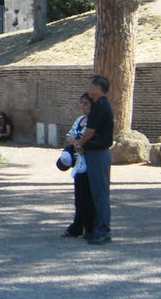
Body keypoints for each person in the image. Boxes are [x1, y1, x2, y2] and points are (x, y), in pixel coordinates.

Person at [74, 75, 113, 246]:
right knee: (95, 194)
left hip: (98, 153)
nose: (89, 87)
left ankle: (103, 231)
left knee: (100, 194)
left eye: (91, 85)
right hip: (95, 153)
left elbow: (90, 131)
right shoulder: (100, 105)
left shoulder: (100, 106)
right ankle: (95, 229)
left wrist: (79, 143)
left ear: (98, 88)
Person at [61, 93, 94, 239]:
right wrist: (74, 141)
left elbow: (86, 138)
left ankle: (89, 227)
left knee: (87, 197)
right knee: (79, 197)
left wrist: (77, 141)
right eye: (81, 103)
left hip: (89, 163)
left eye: (85, 103)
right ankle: (77, 226)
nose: (82, 106)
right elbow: (70, 136)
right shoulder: (80, 120)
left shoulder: (93, 122)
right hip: (77, 163)